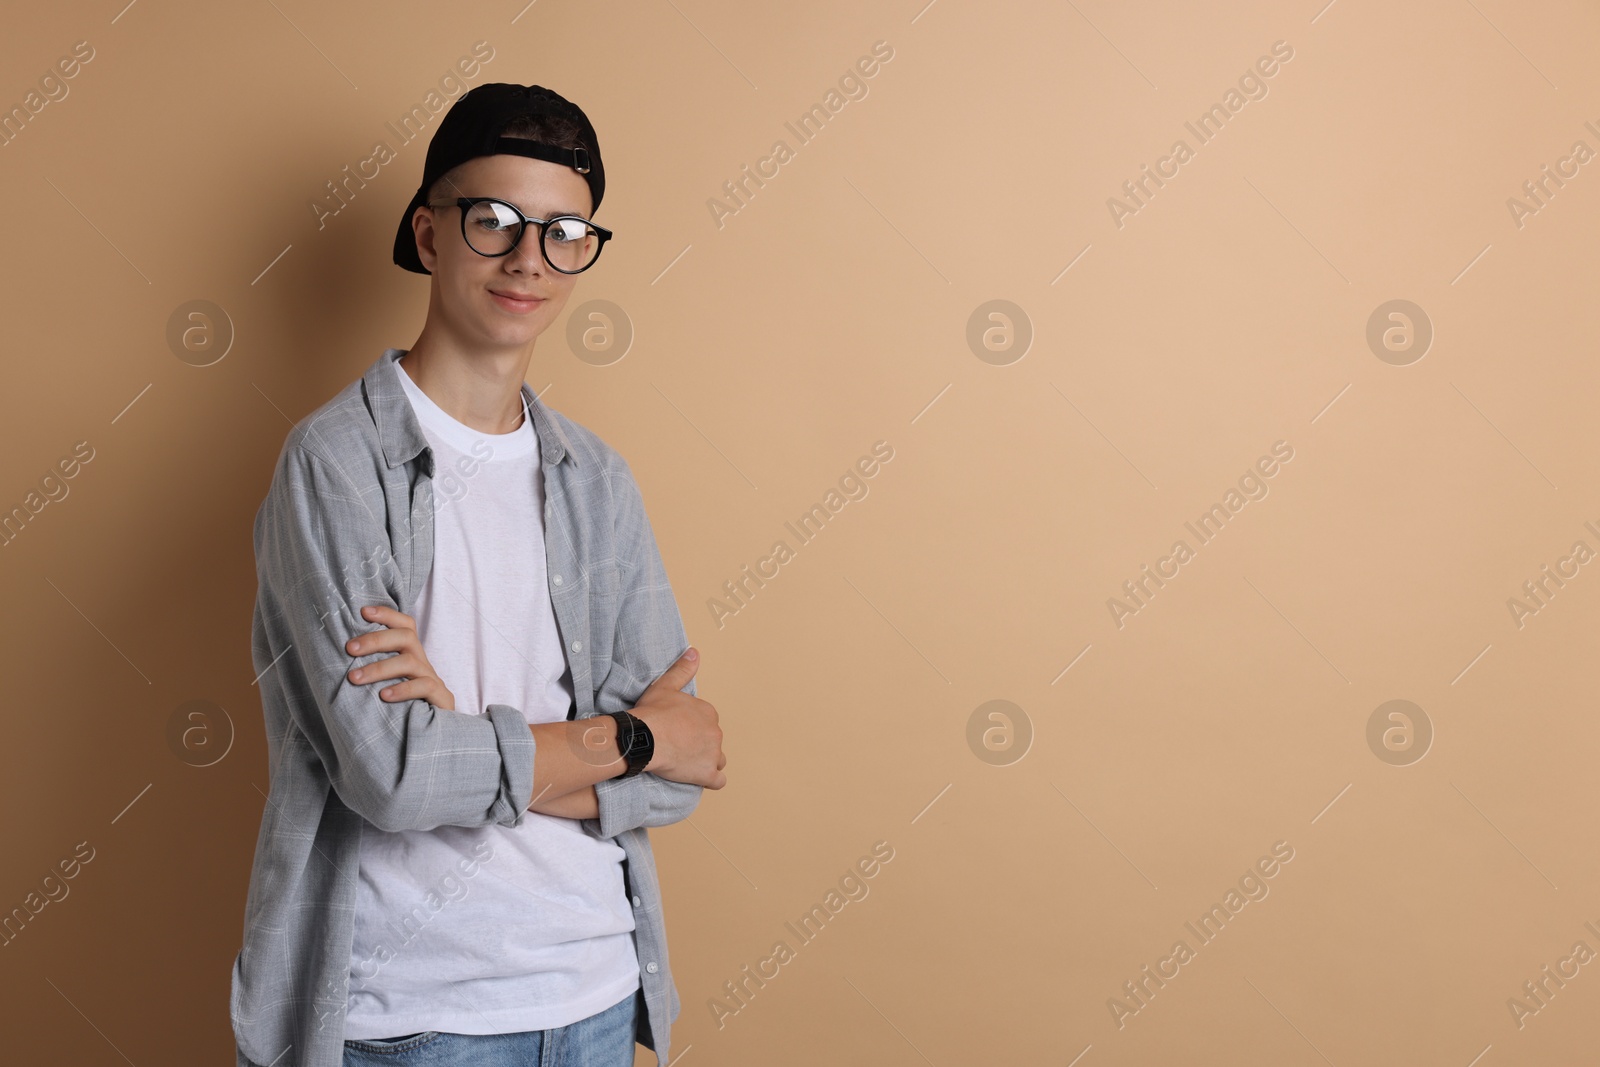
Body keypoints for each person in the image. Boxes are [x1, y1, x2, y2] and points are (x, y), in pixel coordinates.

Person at [231, 83, 726, 1067]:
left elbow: (684, 772)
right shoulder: (333, 463)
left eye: (563, 231)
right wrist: (625, 738)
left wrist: (466, 736)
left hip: (595, 989)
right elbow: (395, 775)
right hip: (408, 1014)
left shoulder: (597, 478)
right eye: (492, 220)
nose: (528, 258)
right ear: (428, 230)